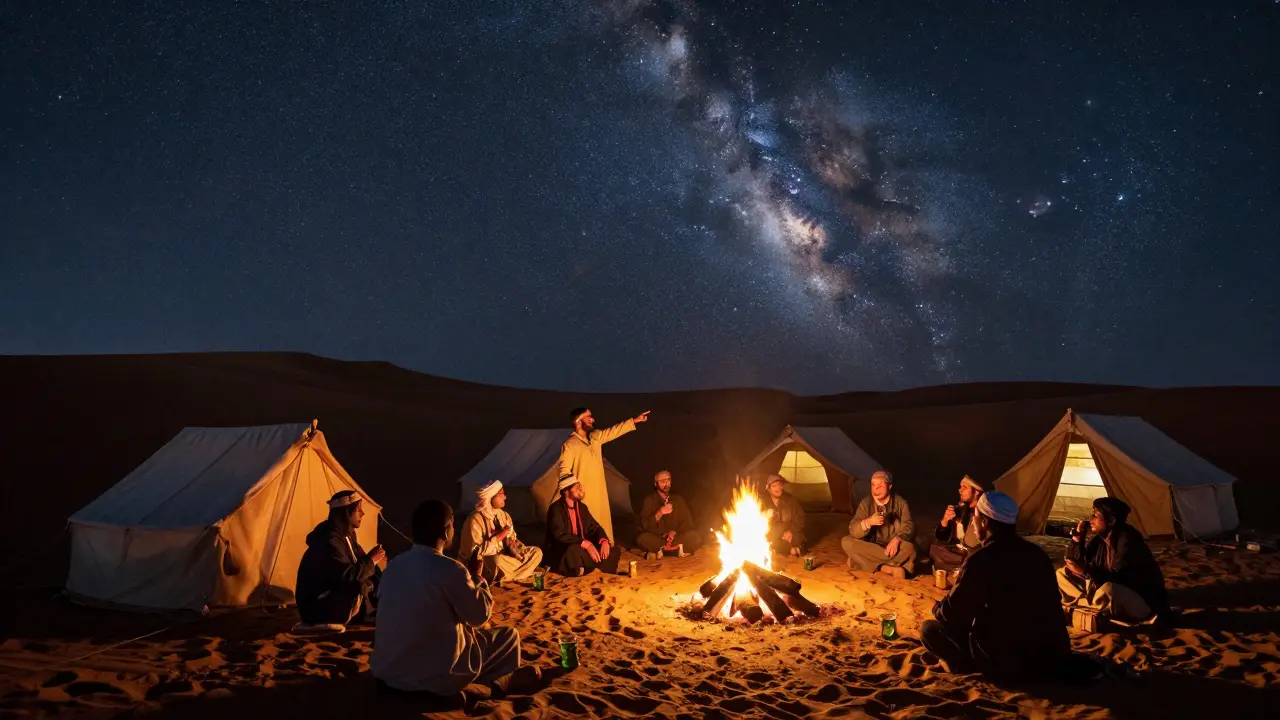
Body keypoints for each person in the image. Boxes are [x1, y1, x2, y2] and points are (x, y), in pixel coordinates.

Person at [372, 499, 539, 697]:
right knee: (509, 637)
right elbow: (480, 616)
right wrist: (478, 578)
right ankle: (493, 686)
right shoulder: (451, 569)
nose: (454, 530)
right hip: (437, 673)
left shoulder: (394, 566)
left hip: (389, 672)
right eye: (452, 524)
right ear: (444, 532)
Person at [919, 492, 1072, 682]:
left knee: (929, 629)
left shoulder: (981, 559)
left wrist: (938, 607)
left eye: (975, 518)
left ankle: (967, 666)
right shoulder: (1037, 555)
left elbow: (954, 614)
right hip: (1048, 655)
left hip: (1006, 659)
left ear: (984, 522)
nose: (973, 525)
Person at [1057, 497, 1169, 623]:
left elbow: (1119, 579)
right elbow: (1075, 560)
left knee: (1109, 590)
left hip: (1138, 600)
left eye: (1095, 515)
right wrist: (1077, 539)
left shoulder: (1129, 541)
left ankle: (1087, 607)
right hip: (1102, 591)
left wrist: (1085, 572)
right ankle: (1092, 607)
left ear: (1111, 520)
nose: (1090, 519)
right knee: (1062, 573)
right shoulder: (1100, 540)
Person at [295, 490, 385, 628]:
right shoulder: (330, 539)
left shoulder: (347, 535)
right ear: (346, 513)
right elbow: (346, 574)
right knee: (359, 584)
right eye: (358, 509)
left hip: (331, 597)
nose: (362, 514)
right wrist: (371, 561)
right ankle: (365, 614)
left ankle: (374, 611)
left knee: (373, 576)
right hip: (316, 606)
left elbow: (361, 561)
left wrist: (376, 561)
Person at [558, 407, 649, 542]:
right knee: (586, 525)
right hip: (583, 495)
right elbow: (564, 471)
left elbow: (613, 431)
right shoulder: (570, 445)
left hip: (599, 494)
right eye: (588, 417)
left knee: (602, 523)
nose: (592, 419)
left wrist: (634, 421)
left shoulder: (595, 438)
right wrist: (573, 491)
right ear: (578, 421)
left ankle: (605, 549)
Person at [457, 480, 543, 583]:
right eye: (501, 494)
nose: (505, 497)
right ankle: (524, 572)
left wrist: (515, 547)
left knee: (537, 552)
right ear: (491, 497)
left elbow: (512, 539)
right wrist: (501, 535)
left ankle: (512, 574)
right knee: (496, 561)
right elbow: (476, 552)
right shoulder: (475, 520)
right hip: (487, 562)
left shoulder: (504, 515)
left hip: (507, 558)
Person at [842, 470, 917, 578]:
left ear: (889, 486)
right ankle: (886, 567)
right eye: (873, 485)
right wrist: (867, 522)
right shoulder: (866, 503)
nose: (875, 489)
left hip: (894, 547)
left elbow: (909, 525)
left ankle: (862, 563)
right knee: (847, 542)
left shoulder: (900, 503)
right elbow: (853, 529)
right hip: (872, 546)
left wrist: (897, 540)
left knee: (910, 548)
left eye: (880, 485)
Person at [545, 474, 621, 576]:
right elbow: (560, 535)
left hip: (582, 546)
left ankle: (587, 567)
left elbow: (594, 527)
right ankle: (588, 566)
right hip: (564, 548)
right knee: (574, 551)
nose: (580, 488)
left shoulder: (582, 507)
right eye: (576, 487)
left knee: (613, 550)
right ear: (565, 491)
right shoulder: (556, 509)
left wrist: (604, 541)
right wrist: (585, 544)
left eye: (580, 486)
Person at [636, 470, 702, 559]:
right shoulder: (650, 500)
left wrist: (675, 532)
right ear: (655, 484)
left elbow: (688, 522)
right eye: (663, 481)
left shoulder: (678, 499)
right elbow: (645, 525)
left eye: (668, 480)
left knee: (695, 537)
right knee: (642, 539)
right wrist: (659, 513)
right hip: (659, 538)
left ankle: (662, 551)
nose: (667, 484)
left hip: (676, 538)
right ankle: (676, 551)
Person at [930, 475, 984, 571]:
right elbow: (941, 537)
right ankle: (962, 566)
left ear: (976, 492)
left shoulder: (986, 513)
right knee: (934, 549)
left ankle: (964, 567)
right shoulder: (963, 510)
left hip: (977, 554)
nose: (960, 490)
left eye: (965, 487)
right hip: (962, 552)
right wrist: (945, 520)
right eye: (960, 487)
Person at [764, 474, 806, 557]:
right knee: (768, 541)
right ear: (769, 489)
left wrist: (790, 531)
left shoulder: (790, 500)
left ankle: (788, 548)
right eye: (774, 486)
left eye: (779, 485)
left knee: (799, 538)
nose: (777, 488)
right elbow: (758, 522)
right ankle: (791, 550)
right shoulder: (763, 502)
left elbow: (800, 519)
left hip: (789, 532)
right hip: (774, 534)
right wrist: (766, 516)